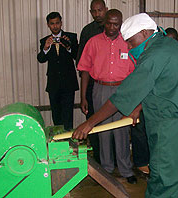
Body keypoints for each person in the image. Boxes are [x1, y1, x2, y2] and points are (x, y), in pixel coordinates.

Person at [73, 13, 178, 197]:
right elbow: (161, 85)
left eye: (131, 43)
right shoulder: (171, 45)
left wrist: (89, 123)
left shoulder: (153, 55)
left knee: (164, 181)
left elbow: (122, 96)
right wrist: (138, 107)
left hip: (170, 126)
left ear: (143, 33)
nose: (129, 47)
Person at [77, 9, 136, 184]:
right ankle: (107, 169)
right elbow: (85, 70)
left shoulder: (128, 44)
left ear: (121, 24)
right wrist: (83, 97)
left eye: (116, 24)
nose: (111, 27)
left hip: (122, 90)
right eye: (109, 23)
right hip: (100, 89)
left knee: (122, 130)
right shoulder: (93, 42)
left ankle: (126, 169)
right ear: (105, 23)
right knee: (102, 130)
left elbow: (135, 73)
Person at [76, 0, 108, 164]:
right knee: (94, 122)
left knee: (116, 125)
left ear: (106, 9)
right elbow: (83, 66)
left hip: (116, 85)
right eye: (94, 11)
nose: (97, 14)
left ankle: (116, 161)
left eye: (100, 10)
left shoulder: (119, 29)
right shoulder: (88, 32)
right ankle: (99, 161)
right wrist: (83, 97)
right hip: (94, 84)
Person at [37, 12, 78, 130]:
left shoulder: (71, 37)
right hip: (53, 84)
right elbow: (41, 59)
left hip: (68, 83)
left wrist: (69, 47)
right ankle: (59, 142)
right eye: (52, 24)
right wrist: (45, 48)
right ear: (48, 25)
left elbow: (77, 56)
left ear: (61, 23)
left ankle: (69, 141)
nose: (55, 26)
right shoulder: (45, 40)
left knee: (68, 115)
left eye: (57, 23)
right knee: (56, 115)